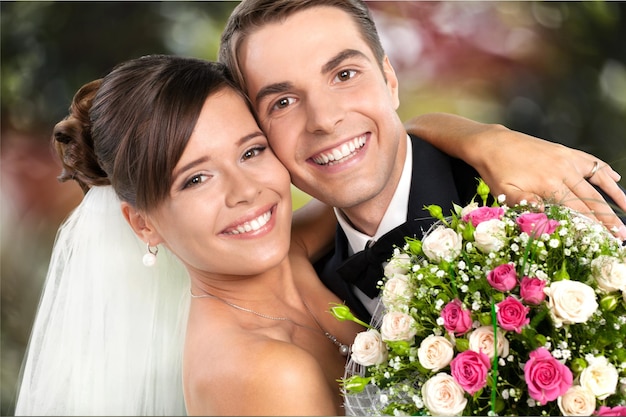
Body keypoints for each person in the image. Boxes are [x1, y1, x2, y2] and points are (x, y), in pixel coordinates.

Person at [218, 0, 626, 322]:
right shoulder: (306, 288)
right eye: (283, 102)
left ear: (390, 81)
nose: (324, 120)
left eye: (344, 75)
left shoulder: (540, 198)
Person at [15, 55, 363, 416]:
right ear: (143, 224)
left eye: (251, 151)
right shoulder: (263, 371)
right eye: (196, 179)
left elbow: (399, 157)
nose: (243, 190)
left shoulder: (290, 251)